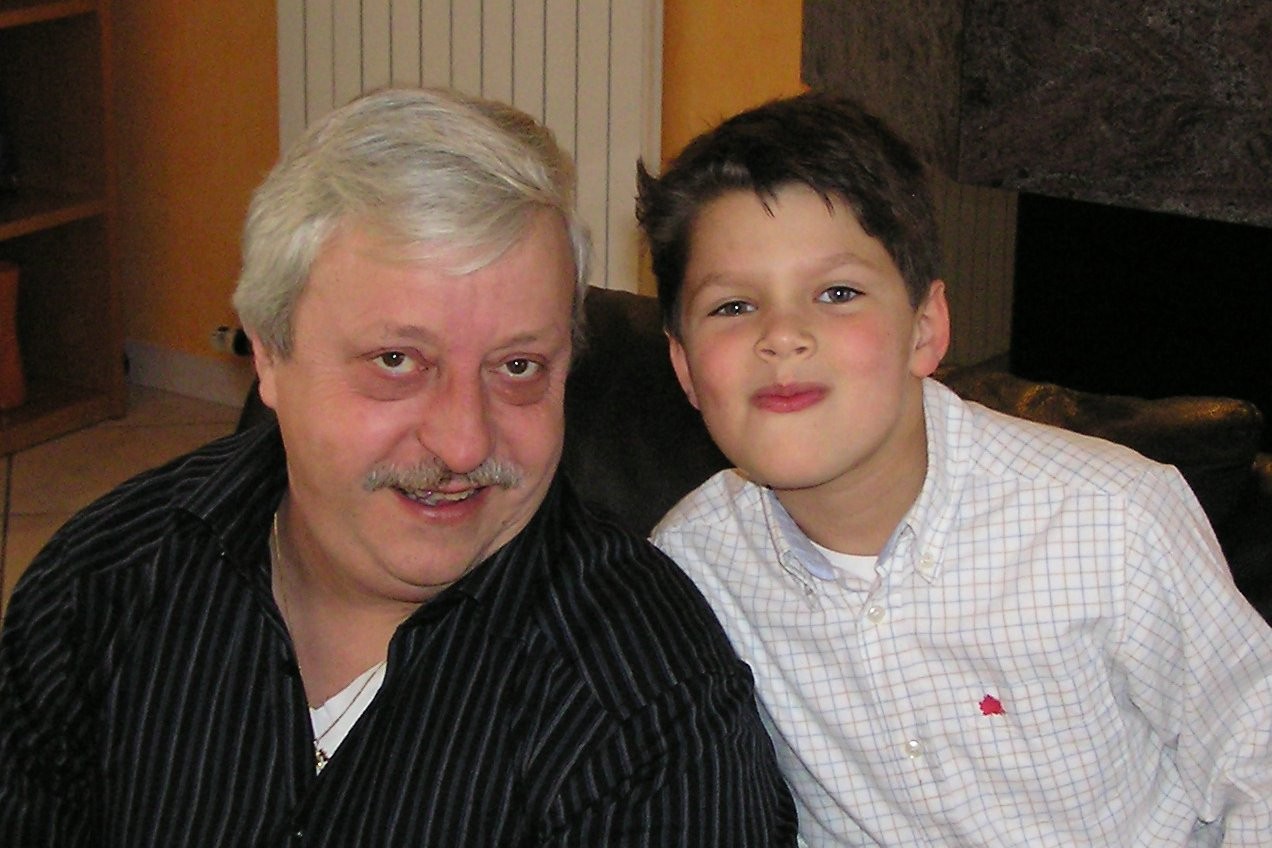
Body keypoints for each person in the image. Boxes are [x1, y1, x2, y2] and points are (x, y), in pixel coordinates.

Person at [0, 87, 797, 847]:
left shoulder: (648, 700)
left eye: (518, 367)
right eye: (396, 360)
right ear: (270, 352)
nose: (463, 445)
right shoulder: (100, 589)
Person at [637, 90, 1272, 846]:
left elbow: (1257, 755)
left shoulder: (1110, 520)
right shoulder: (689, 569)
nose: (782, 336)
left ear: (926, 330)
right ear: (684, 366)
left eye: (837, 293)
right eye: (733, 307)